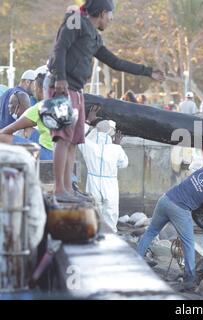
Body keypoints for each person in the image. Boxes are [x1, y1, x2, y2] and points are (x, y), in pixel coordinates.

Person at [46, 0, 165, 203]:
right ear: (102, 13)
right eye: (111, 15)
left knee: (74, 140)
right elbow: (60, 48)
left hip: (76, 89)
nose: (111, 20)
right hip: (63, 87)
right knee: (63, 139)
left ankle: (68, 188)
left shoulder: (94, 36)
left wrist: (147, 71)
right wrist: (59, 77)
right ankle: (59, 189)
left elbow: (115, 62)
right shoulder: (76, 21)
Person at [136, 163, 203, 290]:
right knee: (188, 243)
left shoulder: (202, 171)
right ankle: (189, 278)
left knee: (151, 232)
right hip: (180, 210)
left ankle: (135, 260)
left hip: (165, 199)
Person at [79, 120, 128, 232]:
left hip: (93, 182)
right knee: (111, 215)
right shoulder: (116, 149)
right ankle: (110, 241)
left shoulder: (88, 145)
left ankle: (94, 240)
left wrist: (87, 121)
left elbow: (78, 135)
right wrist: (117, 145)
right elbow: (124, 164)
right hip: (110, 184)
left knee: (94, 215)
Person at [0, 75, 53, 160]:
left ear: (40, 89)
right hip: (61, 151)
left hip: (47, 153)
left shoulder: (41, 106)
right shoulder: (63, 104)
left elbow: (8, 129)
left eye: (35, 88)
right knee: (29, 129)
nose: (34, 91)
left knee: (2, 137)